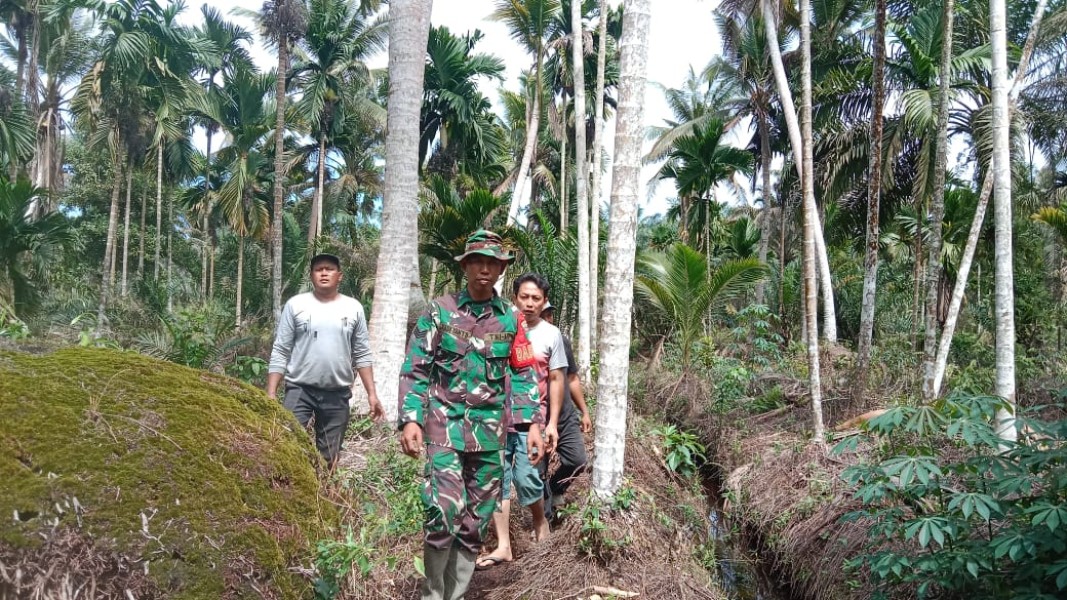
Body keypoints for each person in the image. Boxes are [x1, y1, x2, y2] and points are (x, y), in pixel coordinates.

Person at [398, 230, 545, 600]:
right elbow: (416, 367)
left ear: (501, 270)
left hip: (490, 436)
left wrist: (531, 426)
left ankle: (456, 593)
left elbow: (524, 372)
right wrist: (411, 418)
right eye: (477, 261)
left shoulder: (511, 320)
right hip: (444, 430)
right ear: (465, 267)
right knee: (443, 512)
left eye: (492, 263)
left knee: (474, 522)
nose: (485, 268)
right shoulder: (440, 311)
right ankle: (434, 594)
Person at [477, 274, 566, 571]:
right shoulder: (498, 325)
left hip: (531, 423)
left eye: (535, 298)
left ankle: (540, 523)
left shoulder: (551, 334)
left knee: (528, 478)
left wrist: (550, 423)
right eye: (524, 297)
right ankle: (503, 545)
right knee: (496, 482)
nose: (529, 304)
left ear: (544, 301)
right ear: (515, 297)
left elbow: (555, 379)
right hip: (495, 419)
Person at [267, 253, 384, 467]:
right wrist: (271, 393)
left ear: (339, 276)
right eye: (318, 269)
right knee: (286, 442)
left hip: (337, 392)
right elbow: (281, 349)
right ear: (312, 275)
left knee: (329, 456)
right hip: (299, 389)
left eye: (329, 269)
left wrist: (372, 395)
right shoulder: (295, 305)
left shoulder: (353, 308)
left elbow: (362, 354)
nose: (323, 273)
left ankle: (323, 495)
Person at [540, 301, 593, 520]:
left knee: (577, 460)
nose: (547, 319)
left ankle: (557, 489)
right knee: (537, 471)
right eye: (544, 315)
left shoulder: (561, 341)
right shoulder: (524, 343)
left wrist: (585, 411)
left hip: (565, 416)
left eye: (549, 315)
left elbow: (571, 378)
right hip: (538, 419)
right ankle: (544, 519)